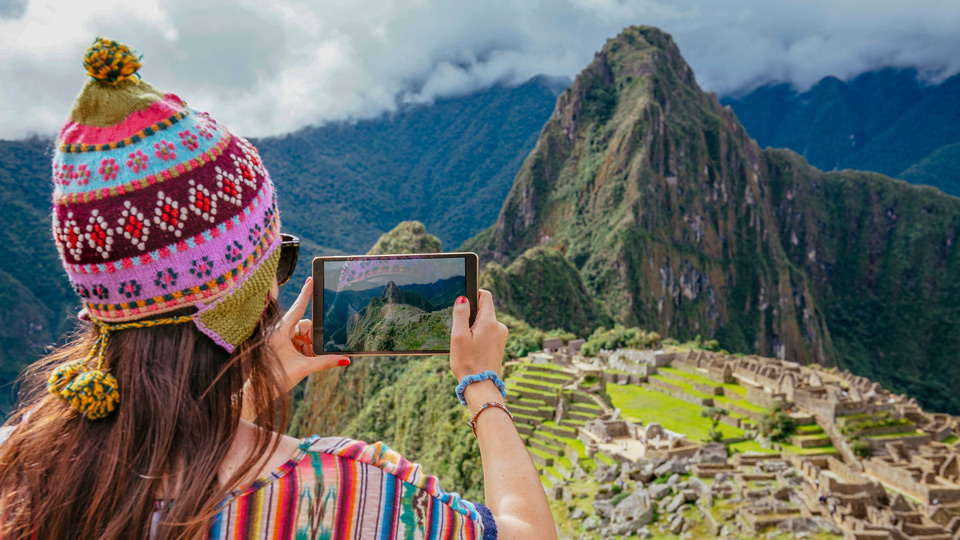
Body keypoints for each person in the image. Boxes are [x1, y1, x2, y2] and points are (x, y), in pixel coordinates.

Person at [0, 38, 556, 540]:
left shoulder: (21, 466)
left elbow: (167, 445)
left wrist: (268, 376)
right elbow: (528, 532)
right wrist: (482, 386)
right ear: (250, 298)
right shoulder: (346, 493)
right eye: (279, 262)